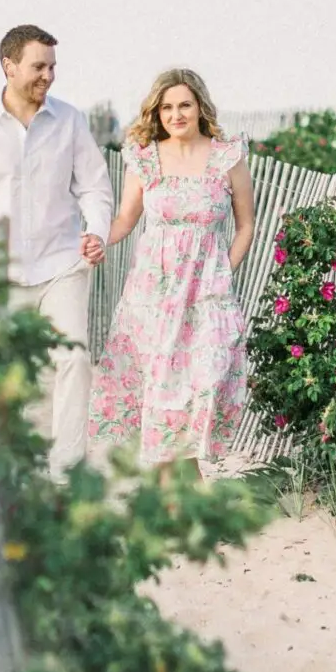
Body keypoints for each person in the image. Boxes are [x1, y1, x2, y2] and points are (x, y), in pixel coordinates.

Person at [0, 25, 113, 477]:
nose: (48, 76)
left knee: (74, 360)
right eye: (39, 66)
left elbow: (95, 186)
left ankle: (66, 472)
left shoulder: (70, 120)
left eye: (53, 67)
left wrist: (96, 229)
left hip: (61, 266)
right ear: (9, 66)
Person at [89, 68, 255, 474]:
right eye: (167, 107)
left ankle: (179, 491)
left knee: (203, 382)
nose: (176, 114)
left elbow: (247, 224)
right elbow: (126, 220)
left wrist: (223, 272)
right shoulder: (144, 158)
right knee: (160, 389)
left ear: (200, 106)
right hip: (154, 295)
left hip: (206, 296)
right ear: (156, 112)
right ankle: (173, 499)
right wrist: (96, 239)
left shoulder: (227, 155)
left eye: (184, 105)